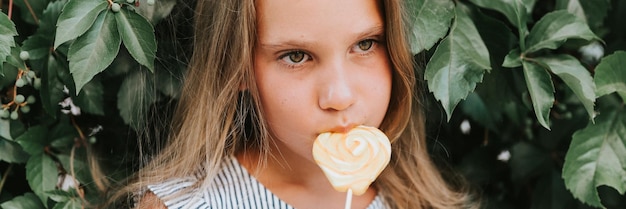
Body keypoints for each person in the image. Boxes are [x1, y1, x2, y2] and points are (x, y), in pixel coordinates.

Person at [112, 0, 478, 208]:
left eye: (365, 45)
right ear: (238, 66)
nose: (340, 96)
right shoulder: (184, 207)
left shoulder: (418, 204)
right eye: (297, 56)